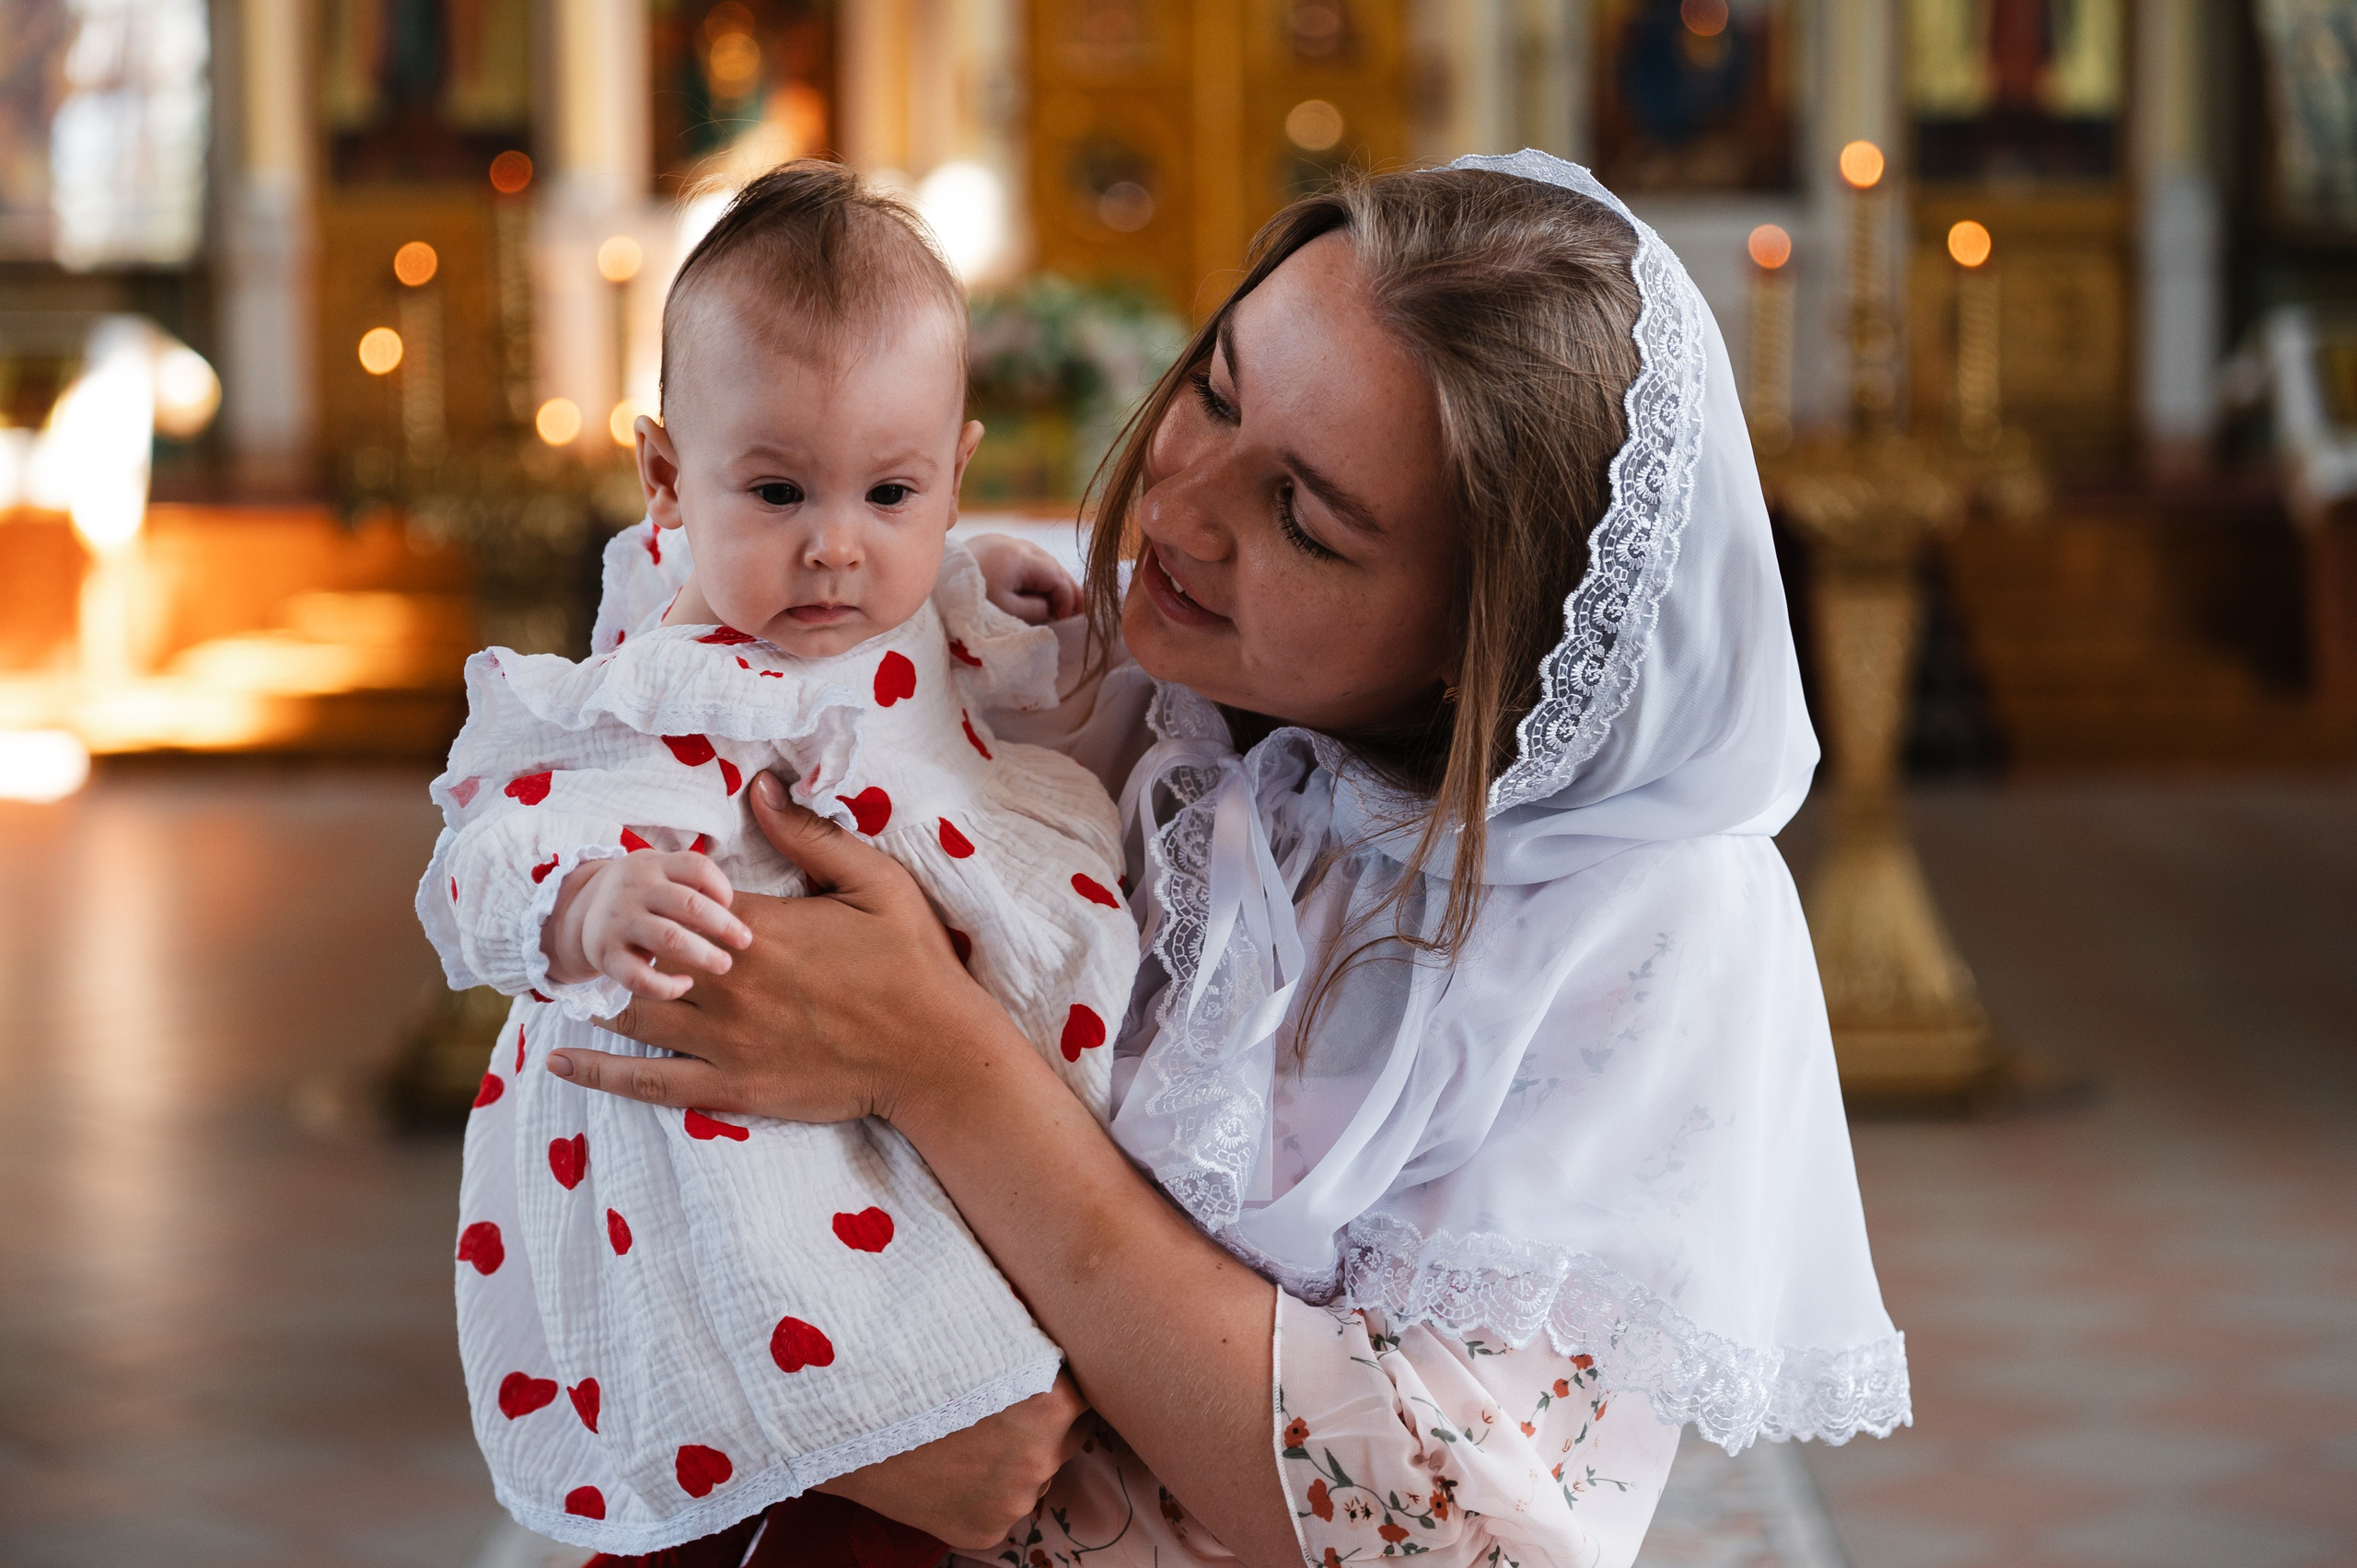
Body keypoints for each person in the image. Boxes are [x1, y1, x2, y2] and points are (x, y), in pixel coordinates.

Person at [547, 151, 1911, 1567]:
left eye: (1303, 520)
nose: (1180, 512)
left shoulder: (1645, 923)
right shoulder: (1049, 660)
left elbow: (1464, 1536)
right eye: (1212, 390)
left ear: (1480, 635)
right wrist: (812, 1408)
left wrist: (946, 1069)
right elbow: (614, 1050)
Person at [415, 163, 1139, 1555]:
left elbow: (919, 637)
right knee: (773, 1490)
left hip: (927, 1130)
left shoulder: (904, 596)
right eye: (778, 490)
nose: (833, 549)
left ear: (954, 468)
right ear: (668, 477)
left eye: (890, 489)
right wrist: (580, 907)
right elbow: (473, 865)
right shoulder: (657, 695)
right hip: (740, 1180)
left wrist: (979, 574)